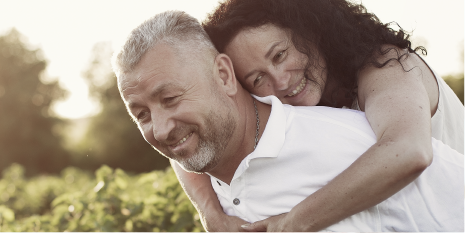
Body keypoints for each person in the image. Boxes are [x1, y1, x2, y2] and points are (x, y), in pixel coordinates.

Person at [112, 10, 464, 232]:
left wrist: (295, 222)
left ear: (310, 29)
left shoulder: (385, 66)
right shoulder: (302, 110)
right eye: (257, 78)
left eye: (280, 55)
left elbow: (409, 151)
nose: (279, 82)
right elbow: (193, 133)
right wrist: (210, 212)